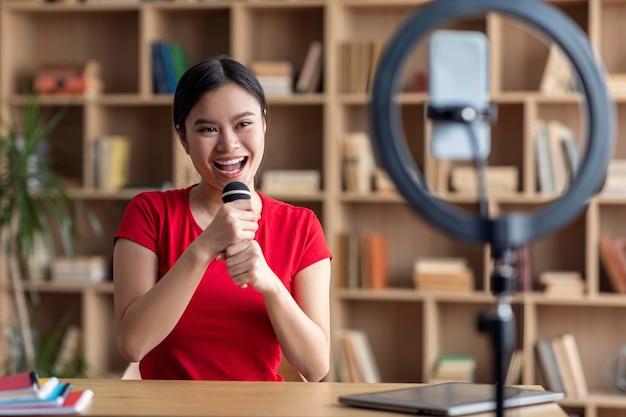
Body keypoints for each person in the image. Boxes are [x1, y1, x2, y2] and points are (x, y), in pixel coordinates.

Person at [112, 56, 332, 382]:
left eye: (243, 124)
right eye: (208, 129)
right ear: (183, 138)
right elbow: (133, 345)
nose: (228, 144)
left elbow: (316, 368)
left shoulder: (301, 226)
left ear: (264, 124)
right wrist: (203, 248)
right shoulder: (149, 213)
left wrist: (271, 285)